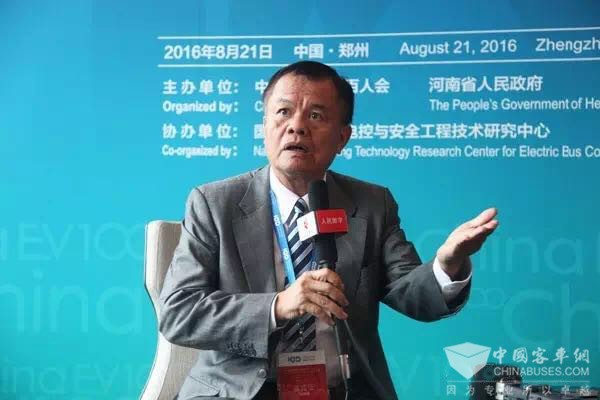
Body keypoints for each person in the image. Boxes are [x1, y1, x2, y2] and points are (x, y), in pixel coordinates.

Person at [158, 61, 498, 400]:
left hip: (342, 391)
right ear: (264, 126)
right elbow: (178, 313)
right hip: (240, 392)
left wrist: (448, 264)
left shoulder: (371, 204)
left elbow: (411, 294)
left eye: (315, 116)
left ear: (343, 138)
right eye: (283, 112)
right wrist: (277, 306)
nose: (296, 127)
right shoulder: (215, 203)